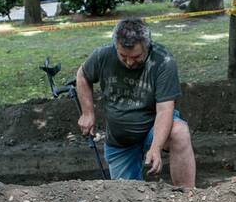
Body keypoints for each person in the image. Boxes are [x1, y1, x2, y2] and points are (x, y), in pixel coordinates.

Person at [76, 17, 196, 187]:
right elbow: (82, 75)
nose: (130, 62)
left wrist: (156, 147)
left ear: (147, 47)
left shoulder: (163, 62)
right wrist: (87, 112)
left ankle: (188, 198)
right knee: (125, 200)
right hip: (120, 142)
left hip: (152, 130)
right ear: (116, 46)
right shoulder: (103, 55)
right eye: (123, 56)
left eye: (136, 57)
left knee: (180, 132)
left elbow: (165, 110)